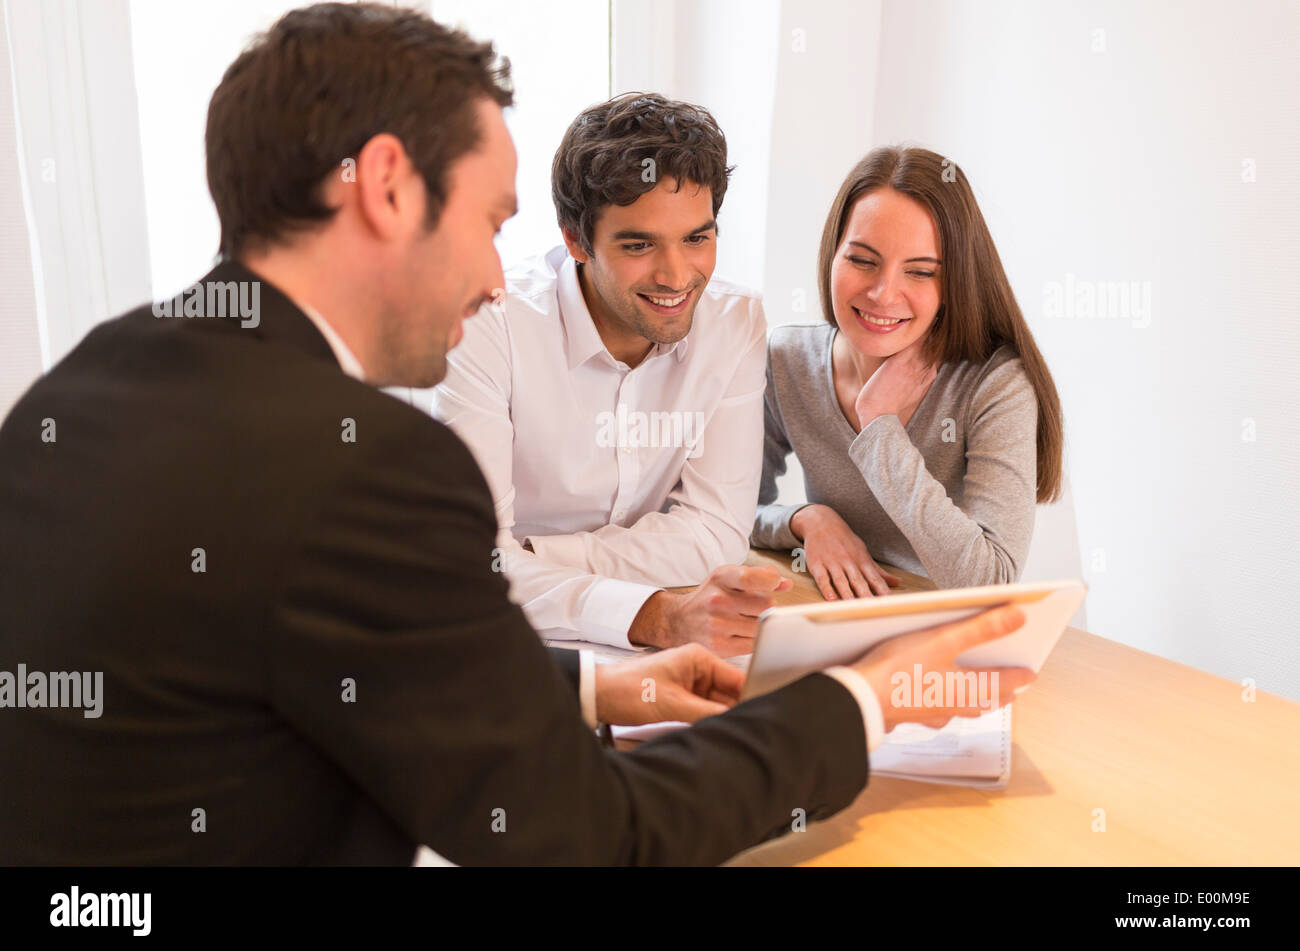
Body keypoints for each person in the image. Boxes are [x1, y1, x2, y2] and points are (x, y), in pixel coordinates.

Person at [0, 4, 1032, 866]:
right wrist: (865, 697)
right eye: (492, 223)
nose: (501, 275)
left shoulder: (82, 387)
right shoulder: (360, 467)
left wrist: (594, 680)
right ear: (389, 185)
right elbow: (590, 832)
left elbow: (308, 658)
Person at [432, 93, 787, 657]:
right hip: (494, 640)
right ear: (575, 240)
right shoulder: (487, 325)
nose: (676, 276)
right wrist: (652, 615)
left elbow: (717, 536)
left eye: (697, 237)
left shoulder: (734, 323)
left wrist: (538, 555)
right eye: (639, 244)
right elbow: (473, 565)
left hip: (666, 638)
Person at [752, 146, 1065, 597]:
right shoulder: (787, 359)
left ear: (954, 282)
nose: (883, 293)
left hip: (945, 637)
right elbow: (727, 516)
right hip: (835, 619)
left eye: (919, 272)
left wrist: (879, 425)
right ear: (832, 255)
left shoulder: (995, 385)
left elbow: (987, 581)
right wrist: (805, 520)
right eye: (862, 260)